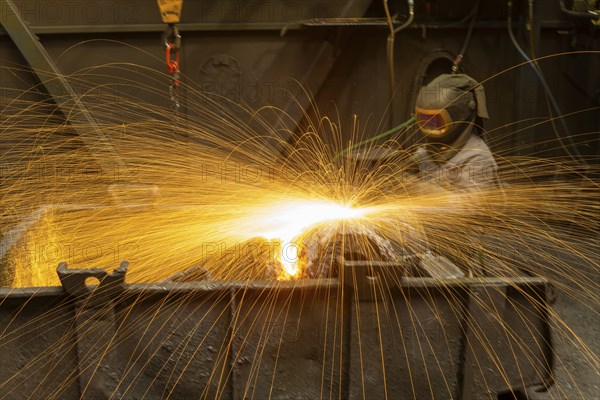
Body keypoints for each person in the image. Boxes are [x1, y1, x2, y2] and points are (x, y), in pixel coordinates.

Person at [413, 73, 499, 192]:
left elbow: (466, 207)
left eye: (437, 121)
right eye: (425, 120)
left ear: (459, 116)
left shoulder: (478, 159)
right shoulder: (429, 150)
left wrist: (419, 189)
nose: (431, 126)